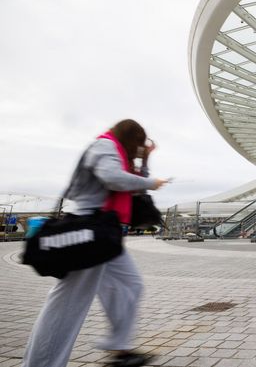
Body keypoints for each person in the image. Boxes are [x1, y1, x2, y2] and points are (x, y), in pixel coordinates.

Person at [23, 120, 168, 367]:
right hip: (88, 232)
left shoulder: (115, 152)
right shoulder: (105, 146)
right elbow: (114, 179)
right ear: (131, 139)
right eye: (138, 145)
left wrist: (145, 162)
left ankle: (120, 349)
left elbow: (128, 181)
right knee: (68, 304)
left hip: (104, 234)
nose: (138, 150)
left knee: (130, 285)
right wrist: (149, 182)